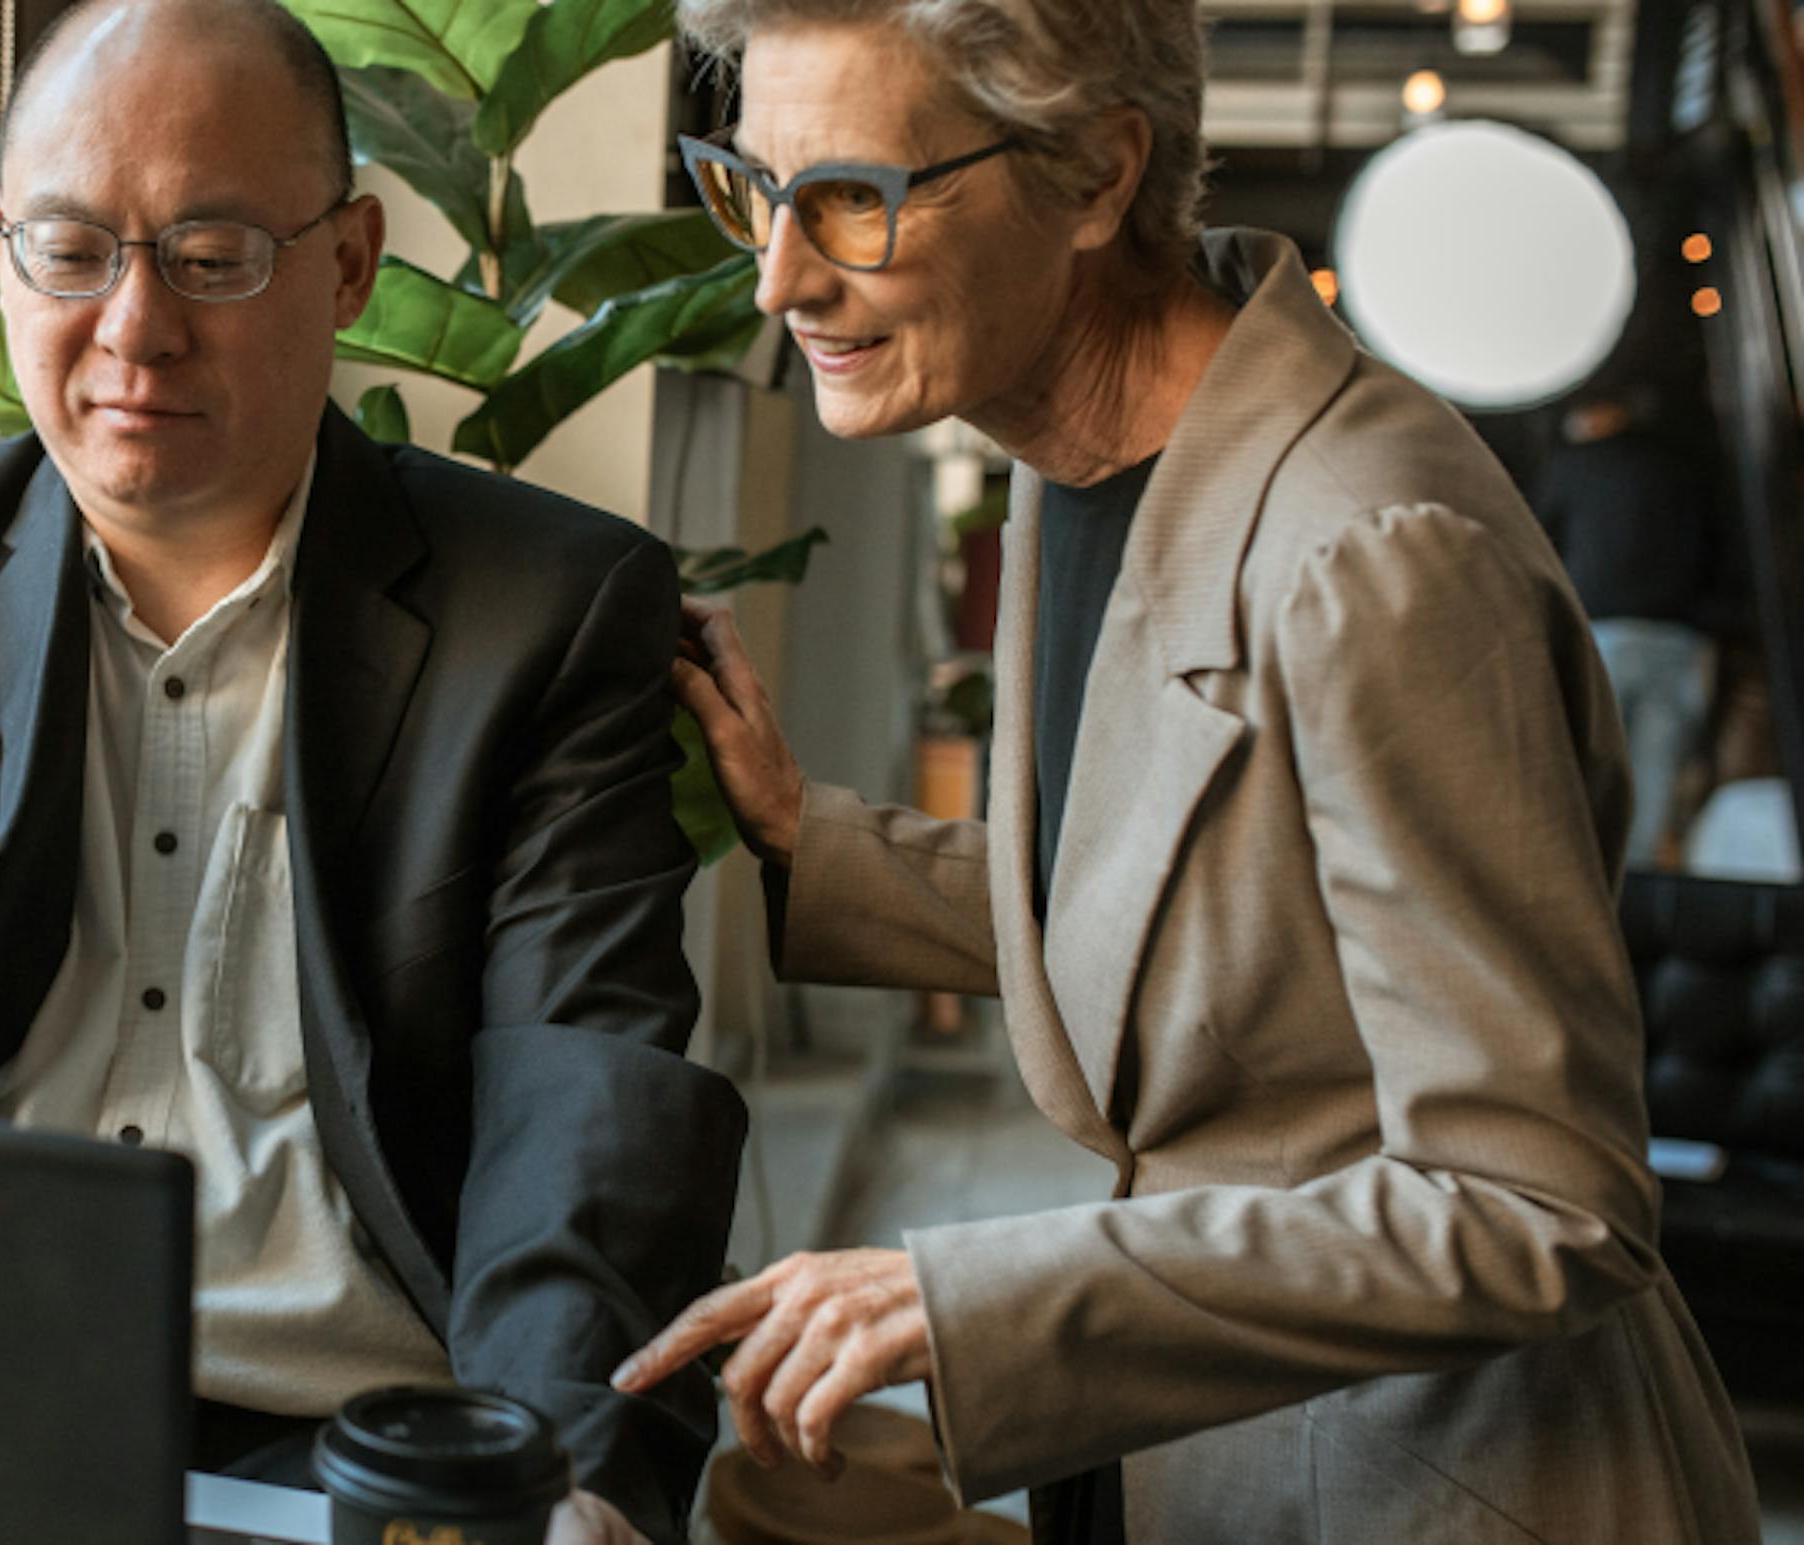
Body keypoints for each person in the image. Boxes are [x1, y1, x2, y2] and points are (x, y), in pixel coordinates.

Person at [609, 0, 1764, 1539]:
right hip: (1212, 1452)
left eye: (852, 202)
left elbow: (1541, 1202)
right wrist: (811, 834)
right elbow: (1213, 912)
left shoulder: (1374, 551)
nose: (780, 275)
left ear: (1093, 174)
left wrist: (980, 1300)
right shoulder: (1080, 459)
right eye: (749, 186)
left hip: (1429, 1481)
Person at [0, 3, 744, 1540]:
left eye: (215, 253)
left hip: (359, 1453)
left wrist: (556, 1480)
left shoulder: (544, 617)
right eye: (73, 247)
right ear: (1, 249)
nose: (133, 327)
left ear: (351, 263)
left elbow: (583, 1105)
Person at [1533, 386, 1730, 868]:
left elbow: (1536, 549)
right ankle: (1637, 902)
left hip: (1603, 635)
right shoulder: (1682, 470)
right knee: (1654, 783)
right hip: (1679, 639)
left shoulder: (1573, 467)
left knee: (1583, 777)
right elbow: (1719, 554)